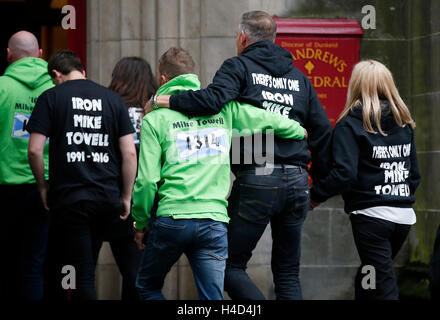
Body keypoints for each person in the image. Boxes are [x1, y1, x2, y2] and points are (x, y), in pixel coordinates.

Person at [145, 11, 332, 300]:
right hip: (296, 178)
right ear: (274, 39)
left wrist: (162, 99)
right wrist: (317, 189)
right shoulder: (300, 79)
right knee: (287, 273)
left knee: (229, 266)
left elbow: (210, 102)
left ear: (243, 37)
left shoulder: (239, 66)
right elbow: (321, 133)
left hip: (257, 166)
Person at [26, 50, 137, 300]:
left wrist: (43, 187)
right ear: (82, 71)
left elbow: (34, 150)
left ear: (56, 74)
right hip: (106, 196)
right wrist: (126, 195)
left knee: (81, 273)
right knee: (86, 265)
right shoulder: (112, 99)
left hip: (70, 198)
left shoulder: (51, 97)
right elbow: (129, 153)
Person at [310, 60, 421, 300]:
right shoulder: (405, 123)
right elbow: (414, 175)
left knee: (384, 283)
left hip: (372, 218)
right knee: (369, 276)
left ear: (356, 85)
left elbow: (345, 174)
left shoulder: (350, 123)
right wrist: (398, 195)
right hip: (403, 216)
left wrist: (315, 195)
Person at [89, 57, 157, 300]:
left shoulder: (103, 106)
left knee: (84, 274)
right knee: (135, 277)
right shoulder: (154, 112)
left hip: (103, 195)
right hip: (141, 203)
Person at [0, 31, 53, 300]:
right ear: (40, 54)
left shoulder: (1, 87)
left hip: (5, 187)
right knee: (35, 264)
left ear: (9, 54)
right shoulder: (55, 89)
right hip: (45, 188)